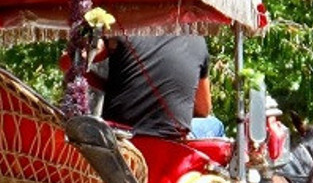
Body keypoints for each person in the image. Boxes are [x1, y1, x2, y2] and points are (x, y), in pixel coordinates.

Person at [94, 33, 224, 139]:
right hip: (170, 139)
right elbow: (203, 110)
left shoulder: (123, 30)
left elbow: (86, 56)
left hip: (120, 135)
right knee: (216, 125)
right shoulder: (197, 41)